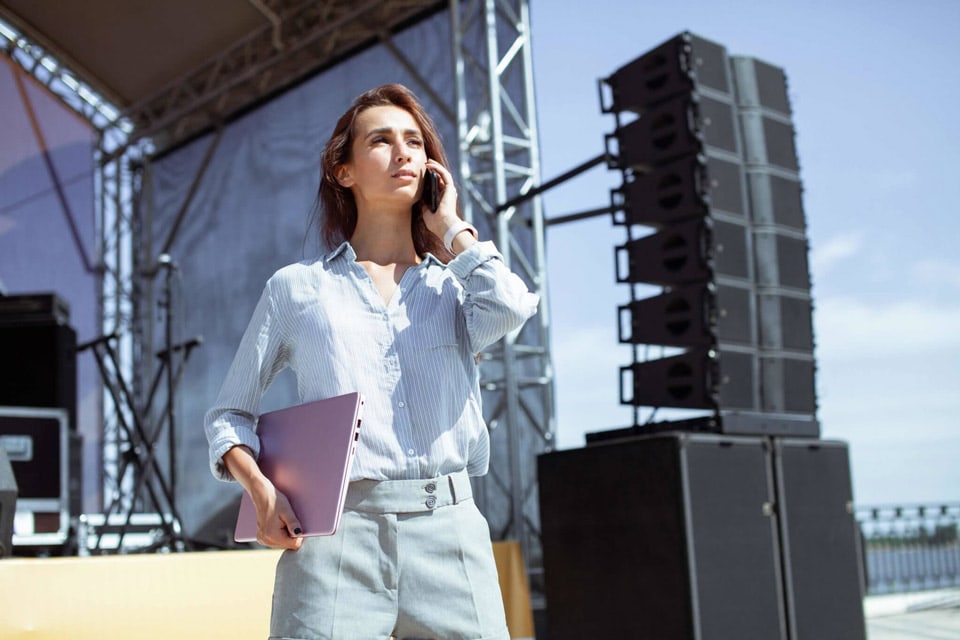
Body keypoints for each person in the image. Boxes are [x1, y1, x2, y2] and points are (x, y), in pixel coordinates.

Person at [204, 84, 539, 640]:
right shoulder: (298, 289)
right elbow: (228, 416)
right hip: (335, 540)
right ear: (344, 171)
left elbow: (510, 306)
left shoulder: (456, 291)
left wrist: (451, 227)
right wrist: (262, 494)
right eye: (381, 141)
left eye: (414, 142)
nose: (403, 152)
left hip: (450, 534)